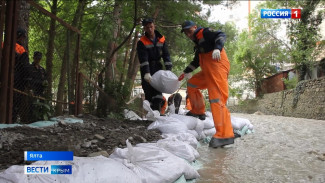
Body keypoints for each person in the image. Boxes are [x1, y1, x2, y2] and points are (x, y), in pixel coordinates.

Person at [180, 20, 235, 148]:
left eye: (189, 30)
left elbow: (221, 35)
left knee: (217, 100)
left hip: (218, 68)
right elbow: (196, 61)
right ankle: (198, 110)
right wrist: (185, 72)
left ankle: (224, 135)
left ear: (195, 27)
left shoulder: (204, 33)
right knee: (192, 84)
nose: (188, 34)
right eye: (186, 33)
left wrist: (217, 48)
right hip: (208, 70)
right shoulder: (198, 43)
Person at [137, 18, 172, 112]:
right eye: (147, 27)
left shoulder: (161, 39)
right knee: (148, 92)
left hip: (158, 67)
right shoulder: (142, 41)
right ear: (144, 29)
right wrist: (147, 72)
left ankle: (157, 114)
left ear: (154, 26)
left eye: (151, 26)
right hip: (147, 68)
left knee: (158, 92)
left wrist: (169, 69)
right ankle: (151, 115)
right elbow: (143, 59)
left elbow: (166, 55)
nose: (150, 29)